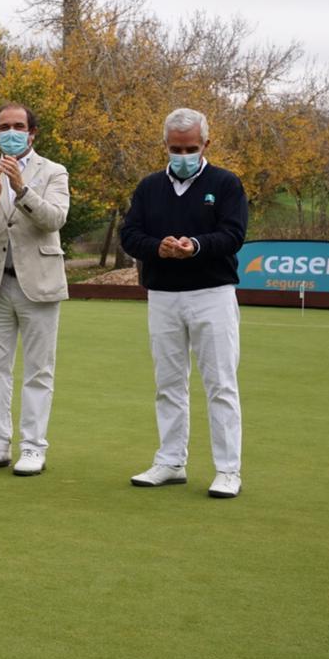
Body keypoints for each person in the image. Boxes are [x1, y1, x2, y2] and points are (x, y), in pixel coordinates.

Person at [120, 108, 249, 498]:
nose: (183, 154)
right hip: (163, 296)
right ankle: (171, 461)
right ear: (165, 146)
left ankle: (228, 469)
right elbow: (131, 235)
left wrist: (194, 246)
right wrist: (157, 248)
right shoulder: (148, 187)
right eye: (176, 148)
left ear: (206, 144)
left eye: (191, 147)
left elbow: (233, 234)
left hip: (212, 294)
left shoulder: (226, 184)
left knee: (220, 384)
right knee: (168, 383)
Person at [0, 103, 71, 476]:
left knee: (39, 371)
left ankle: (34, 447)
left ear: (32, 133)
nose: (11, 132)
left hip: (37, 284)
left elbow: (55, 219)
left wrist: (21, 191)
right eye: (4, 126)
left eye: (19, 126)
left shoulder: (53, 171)